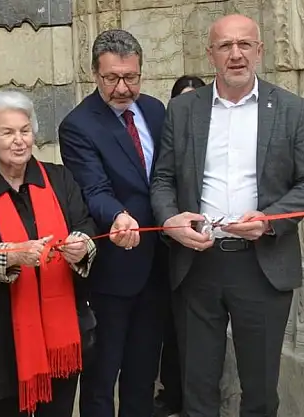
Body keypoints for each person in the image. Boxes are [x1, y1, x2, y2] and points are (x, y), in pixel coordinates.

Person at [151, 14, 304, 417]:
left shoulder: (291, 109)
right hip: (197, 265)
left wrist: (270, 220)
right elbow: (162, 179)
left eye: (244, 44)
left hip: (263, 266)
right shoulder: (183, 109)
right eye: (225, 46)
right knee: (197, 391)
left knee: (260, 393)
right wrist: (170, 220)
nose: (236, 54)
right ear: (211, 55)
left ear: (260, 51)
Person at [0, 90, 98, 417]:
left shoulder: (59, 178)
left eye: (25, 130)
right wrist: (10, 257)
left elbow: (85, 224)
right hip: (1, 334)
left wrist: (81, 246)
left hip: (63, 330)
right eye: (8, 132)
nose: (19, 141)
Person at [58, 29, 169, 417]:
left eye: (131, 77)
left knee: (143, 373)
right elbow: (93, 188)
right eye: (111, 78)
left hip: (159, 264)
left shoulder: (155, 110)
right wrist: (119, 215)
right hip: (113, 269)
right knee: (102, 376)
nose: (122, 88)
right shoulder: (78, 124)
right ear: (94, 74)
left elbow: (167, 177)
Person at [153, 74, 206, 417]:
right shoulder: (167, 138)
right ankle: (171, 393)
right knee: (172, 330)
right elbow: (162, 182)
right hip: (169, 248)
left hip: (208, 253)